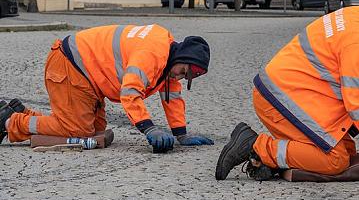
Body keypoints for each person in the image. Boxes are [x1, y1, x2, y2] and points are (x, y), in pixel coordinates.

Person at [215, 0, 359, 180]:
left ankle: (270, 161)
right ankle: (255, 146)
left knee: (348, 151)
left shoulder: (357, 16)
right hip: (283, 98)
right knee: (336, 160)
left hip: (287, 93)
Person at [0, 24, 213, 153]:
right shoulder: (153, 54)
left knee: (96, 130)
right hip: (70, 65)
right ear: (183, 57)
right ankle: (11, 121)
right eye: (184, 71)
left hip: (86, 74)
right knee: (78, 131)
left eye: (186, 77)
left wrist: (181, 133)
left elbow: (172, 97)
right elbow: (130, 92)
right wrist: (149, 128)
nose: (180, 77)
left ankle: (23, 113)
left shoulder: (170, 58)